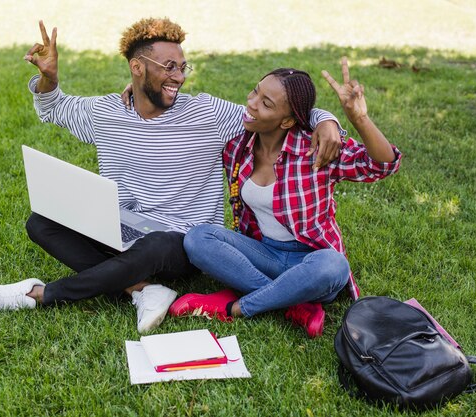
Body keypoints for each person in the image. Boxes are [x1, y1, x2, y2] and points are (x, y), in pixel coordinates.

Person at [0, 18, 345, 334]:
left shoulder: (207, 114)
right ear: (137, 67)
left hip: (181, 242)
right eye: (169, 67)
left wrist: (324, 118)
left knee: (155, 246)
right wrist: (48, 78)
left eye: (182, 66)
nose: (178, 77)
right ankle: (142, 290)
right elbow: (53, 107)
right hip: (119, 228)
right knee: (41, 222)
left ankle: (39, 295)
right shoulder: (106, 113)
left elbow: (275, 111)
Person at [171, 58, 402, 338]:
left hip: (309, 260)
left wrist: (358, 118)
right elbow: (179, 119)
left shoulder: (316, 148)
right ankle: (293, 303)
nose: (252, 103)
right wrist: (139, 90)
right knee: (198, 238)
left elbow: (382, 165)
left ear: (288, 120)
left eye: (267, 103)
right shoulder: (237, 147)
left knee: (334, 265)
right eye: (255, 92)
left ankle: (239, 306)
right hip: (263, 253)